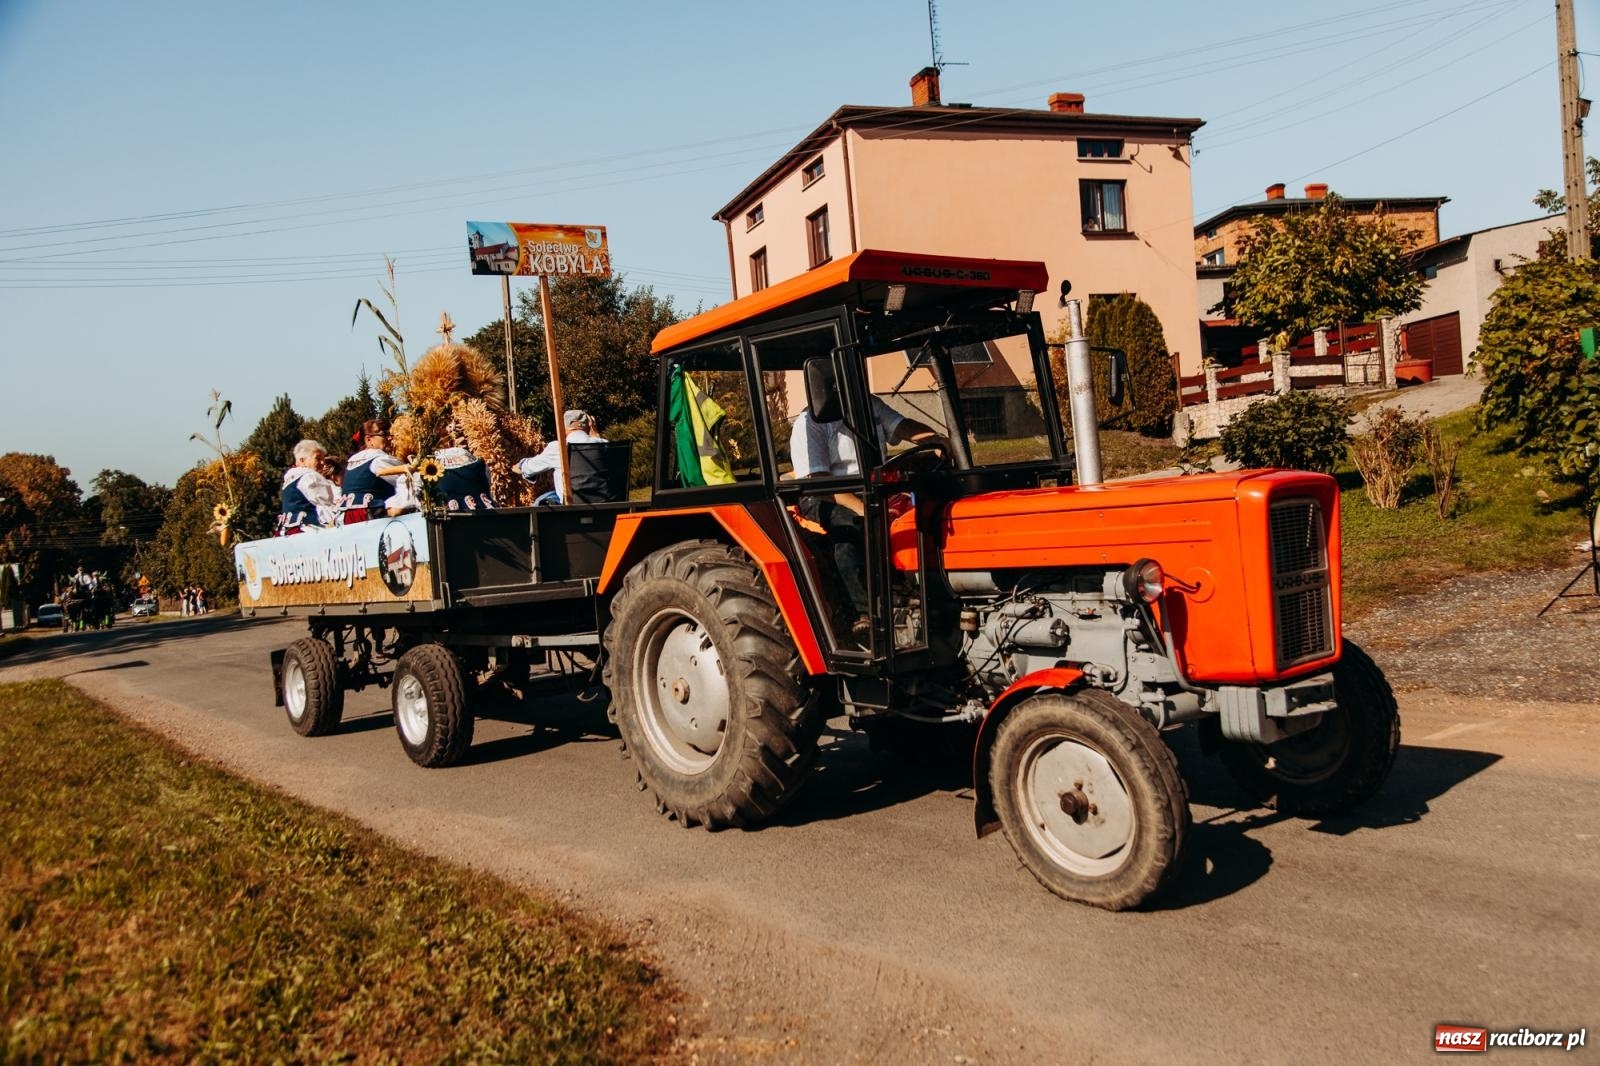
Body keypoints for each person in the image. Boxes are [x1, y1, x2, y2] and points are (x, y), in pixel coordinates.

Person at [789, 395, 949, 640]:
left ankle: (930, 593)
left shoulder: (867, 404)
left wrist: (935, 439)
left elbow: (902, 425)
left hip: (875, 489)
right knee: (850, 528)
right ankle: (862, 614)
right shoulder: (810, 422)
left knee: (931, 511)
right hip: (826, 496)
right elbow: (818, 480)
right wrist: (861, 507)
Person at [516, 410, 606, 504]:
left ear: (563, 427)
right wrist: (596, 436)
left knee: (540, 501)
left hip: (573, 505)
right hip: (607, 504)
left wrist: (520, 465)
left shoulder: (559, 448)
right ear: (589, 425)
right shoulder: (605, 445)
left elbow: (529, 468)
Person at [342, 421, 415, 521]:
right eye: (384, 434)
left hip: (350, 519)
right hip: (373, 517)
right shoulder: (378, 460)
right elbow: (409, 483)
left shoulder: (352, 464)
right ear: (368, 440)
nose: (390, 438)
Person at [279, 439, 341, 534]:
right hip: (307, 531)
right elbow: (325, 503)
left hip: (289, 531)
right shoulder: (308, 476)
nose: (322, 463)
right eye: (318, 458)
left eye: (323, 459)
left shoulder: (290, 480)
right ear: (302, 460)